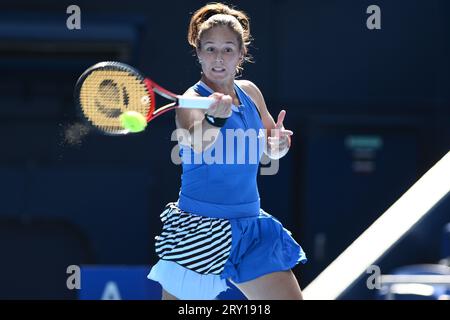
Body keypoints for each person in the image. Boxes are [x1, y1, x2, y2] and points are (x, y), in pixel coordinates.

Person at [148, 2, 307, 300]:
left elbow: (272, 146)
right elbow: (197, 142)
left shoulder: (252, 93)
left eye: (227, 50)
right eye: (209, 49)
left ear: (241, 54)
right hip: (199, 232)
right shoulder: (190, 100)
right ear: (198, 52)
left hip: (250, 229)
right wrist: (214, 119)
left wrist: (279, 145)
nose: (218, 58)